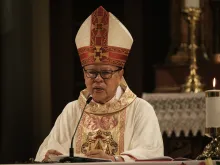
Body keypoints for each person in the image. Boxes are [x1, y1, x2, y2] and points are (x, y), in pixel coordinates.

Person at [35, 6, 164, 162]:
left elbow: (151, 152)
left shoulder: (140, 110)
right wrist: (49, 157)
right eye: (91, 72)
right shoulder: (72, 111)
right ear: (84, 74)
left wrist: (113, 160)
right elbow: (47, 151)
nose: (97, 79)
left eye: (105, 73)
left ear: (120, 74)